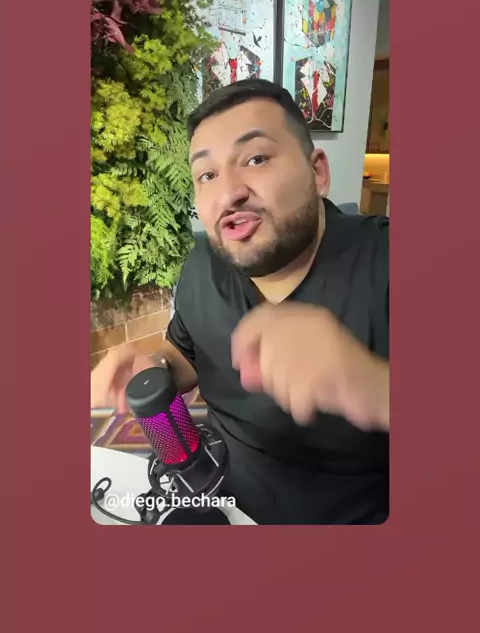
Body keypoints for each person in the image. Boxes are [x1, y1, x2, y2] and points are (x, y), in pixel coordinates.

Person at [91, 79, 389, 525]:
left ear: (318, 173)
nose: (229, 193)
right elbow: (187, 354)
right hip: (217, 502)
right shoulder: (204, 263)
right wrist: (155, 363)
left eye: (256, 159)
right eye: (207, 175)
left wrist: (372, 386)